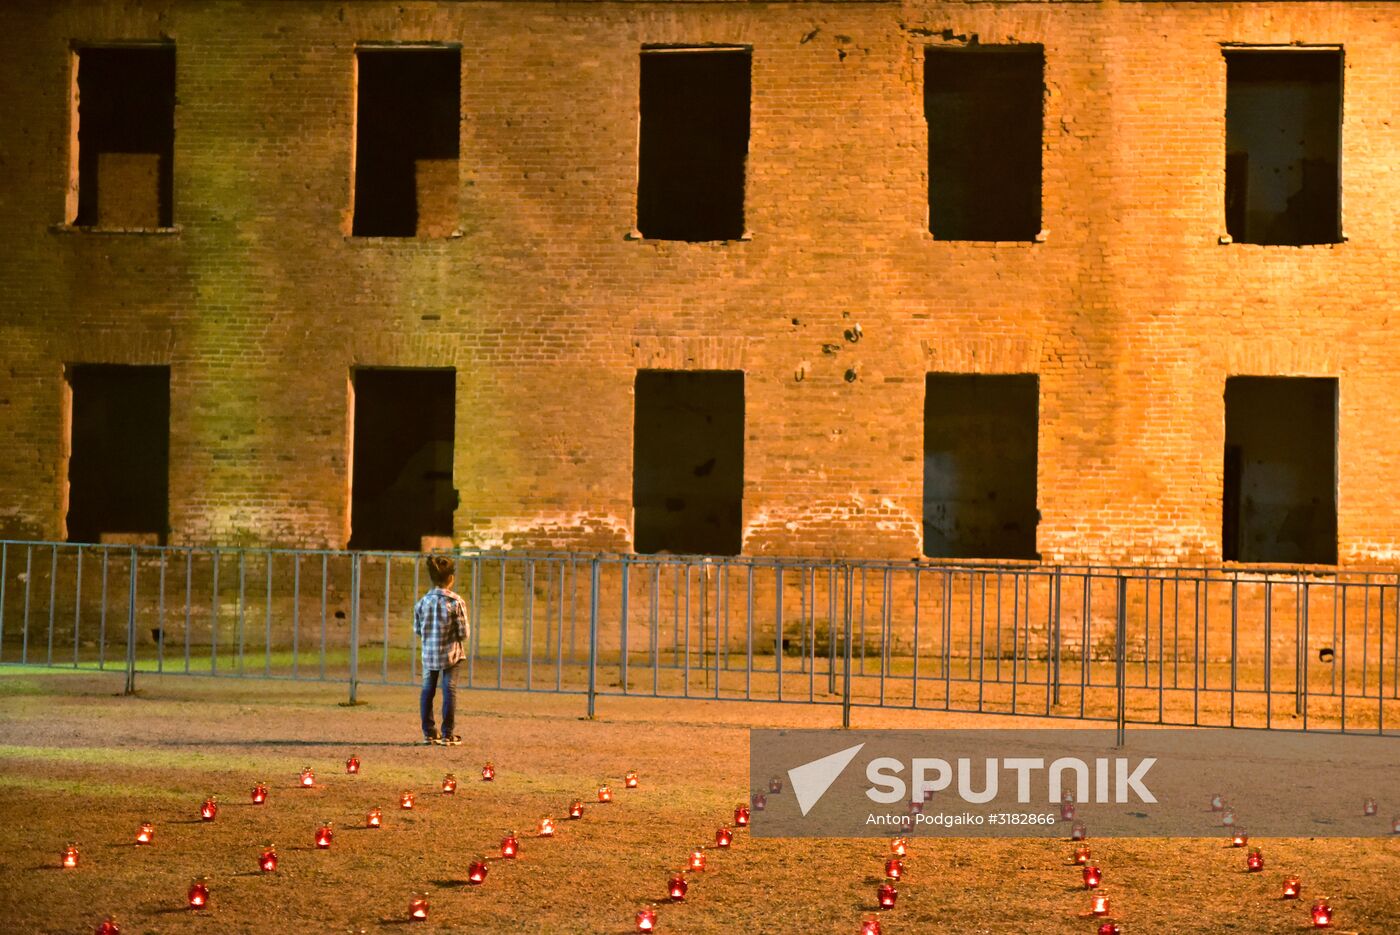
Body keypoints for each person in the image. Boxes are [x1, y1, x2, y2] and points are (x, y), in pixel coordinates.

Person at [413, 554, 469, 745]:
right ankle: (447, 733)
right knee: (449, 690)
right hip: (451, 654)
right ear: (451, 578)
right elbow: (464, 633)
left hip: (429, 654)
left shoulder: (422, 602)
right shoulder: (456, 602)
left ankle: (429, 732)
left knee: (427, 690)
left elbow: (417, 629)